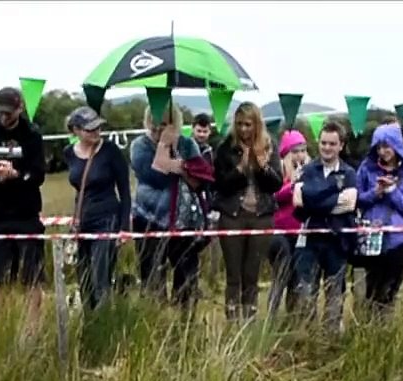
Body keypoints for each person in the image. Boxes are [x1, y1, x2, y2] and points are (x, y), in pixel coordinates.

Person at [129, 102, 213, 310]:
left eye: (165, 123)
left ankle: (184, 325)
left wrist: (176, 165)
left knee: (186, 276)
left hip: (182, 221)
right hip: (148, 219)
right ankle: (154, 323)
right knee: (152, 276)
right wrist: (167, 151)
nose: (159, 128)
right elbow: (155, 175)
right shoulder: (139, 146)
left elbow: (201, 177)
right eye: (154, 124)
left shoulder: (187, 144)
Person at [0, 87, 47, 290]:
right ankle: (7, 318)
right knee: (1, 279)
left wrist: (17, 176)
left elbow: (38, 173)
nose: (4, 117)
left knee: (32, 278)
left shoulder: (33, 135)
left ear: (20, 108)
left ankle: (33, 321)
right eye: (0, 112)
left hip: (26, 216)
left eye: (9, 112)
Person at [212, 102, 283, 320]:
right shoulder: (225, 148)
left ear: (257, 125)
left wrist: (262, 166)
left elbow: (276, 184)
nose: (244, 130)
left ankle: (249, 321)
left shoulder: (270, 146)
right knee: (234, 274)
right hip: (232, 215)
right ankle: (232, 320)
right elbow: (221, 184)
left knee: (252, 274)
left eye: (249, 125)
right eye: (240, 124)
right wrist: (241, 168)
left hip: (261, 216)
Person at [292, 120, 358, 331]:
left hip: (337, 241)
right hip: (309, 241)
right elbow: (298, 202)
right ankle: (307, 338)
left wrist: (315, 199)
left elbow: (349, 203)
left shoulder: (349, 173)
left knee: (335, 293)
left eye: (332, 143)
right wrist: (333, 197)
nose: (327, 148)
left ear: (341, 145)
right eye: (323, 143)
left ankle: (330, 340)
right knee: (306, 292)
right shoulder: (308, 170)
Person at [64, 107, 131, 311]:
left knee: (100, 277)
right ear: (76, 130)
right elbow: (78, 188)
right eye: (90, 129)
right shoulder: (69, 153)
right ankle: (88, 324)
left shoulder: (111, 151)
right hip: (82, 221)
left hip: (107, 219)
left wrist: (123, 227)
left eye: (98, 128)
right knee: (83, 280)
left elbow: (125, 191)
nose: (96, 132)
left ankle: (104, 326)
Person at [355, 123, 403, 313]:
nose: (383, 151)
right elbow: (357, 199)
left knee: (390, 289)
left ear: (397, 145)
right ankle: (367, 328)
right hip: (370, 237)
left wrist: (391, 190)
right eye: (379, 147)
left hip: (396, 240)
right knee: (372, 288)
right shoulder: (366, 169)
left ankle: (385, 331)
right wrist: (376, 192)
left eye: (387, 146)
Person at [269, 130, 308, 317]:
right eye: (295, 151)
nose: (299, 155)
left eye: (303, 150)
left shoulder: (309, 172)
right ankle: (270, 318)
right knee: (282, 274)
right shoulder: (277, 173)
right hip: (278, 232)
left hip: (300, 233)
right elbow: (273, 197)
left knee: (297, 280)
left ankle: (291, 322)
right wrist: (292, 185)